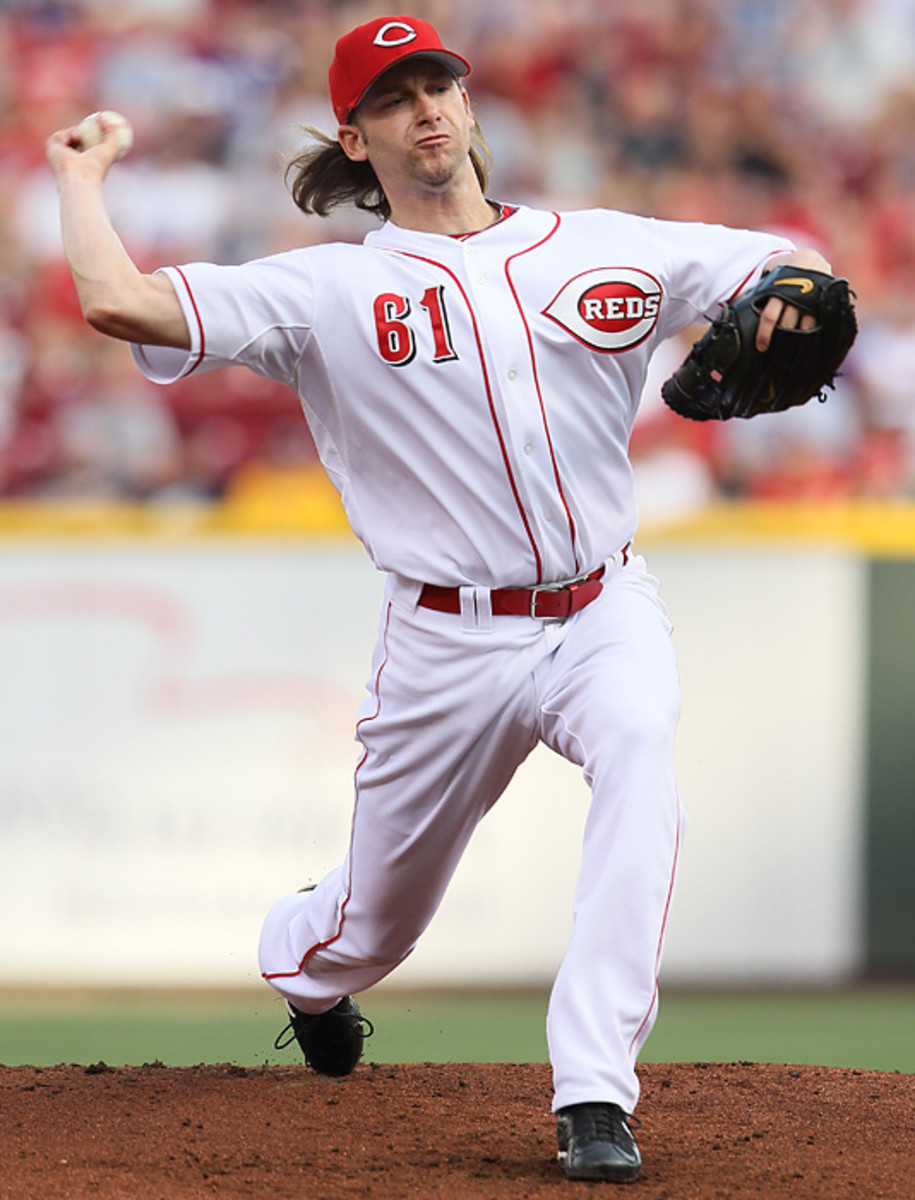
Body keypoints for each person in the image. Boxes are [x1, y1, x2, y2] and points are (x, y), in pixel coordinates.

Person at [47, 14, 834, 1184]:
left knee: (640, 749)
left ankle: (592, 1092)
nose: (425, 107)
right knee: (373, 928)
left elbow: (779, 258)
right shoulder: (322, 292)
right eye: (393, 96)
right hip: (444, 639)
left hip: (602, 607)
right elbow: (120, 303)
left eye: (439, 84)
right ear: (356, 141)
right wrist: (78, 176)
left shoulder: (598, 245)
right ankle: (308, 971)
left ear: (470, 108)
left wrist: (792, 287)